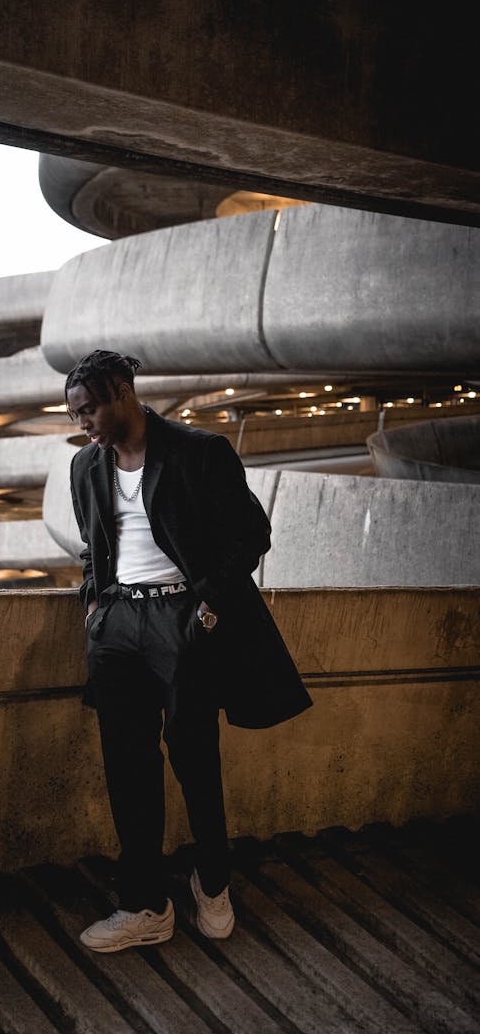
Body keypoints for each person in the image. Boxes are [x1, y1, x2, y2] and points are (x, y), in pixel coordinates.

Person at [66, 349, 312, 953]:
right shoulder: (84, 467)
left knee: (195, 756)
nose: (83, 423)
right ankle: (146, 904)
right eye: (75, 414)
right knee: (128, 764)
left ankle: (214, 881)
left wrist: (206, 609)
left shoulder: (199, 452)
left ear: (123, 390)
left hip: (184, 620)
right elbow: (91, 545)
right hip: (118, 625)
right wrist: (95, 605)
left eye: (90, 408)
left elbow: (254, 535)